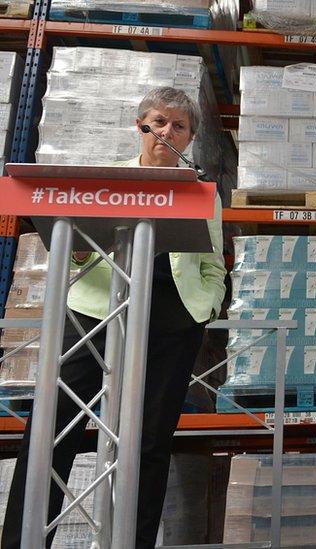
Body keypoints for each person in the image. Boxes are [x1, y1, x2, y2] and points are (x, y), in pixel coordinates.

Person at [1, 87, 225, 548]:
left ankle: (134, 542)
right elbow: (78, 253)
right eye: (159, 122)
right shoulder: (106, 179)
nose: (167, 132)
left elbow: (214, 262)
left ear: (191, 138)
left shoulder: (203, 189)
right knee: (54, 428)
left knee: (149, 441)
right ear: (140, 127)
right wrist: (81, 250)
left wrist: (204, 306)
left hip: (172, 320)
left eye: (179, 126)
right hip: (95, 314)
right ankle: (21, 541)